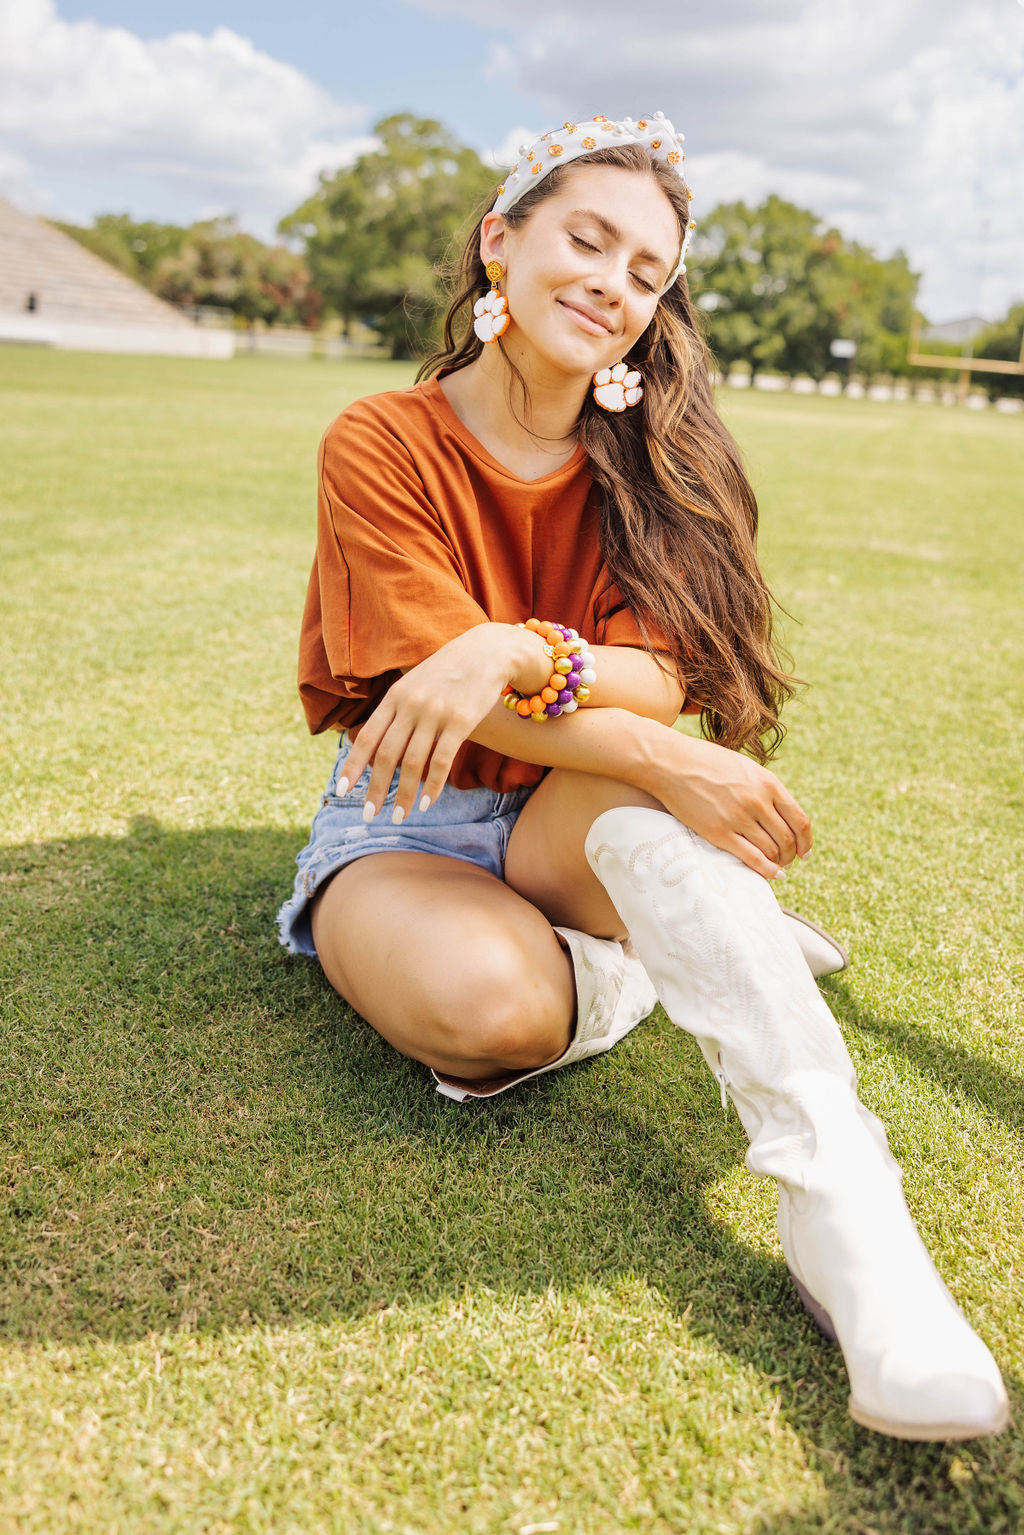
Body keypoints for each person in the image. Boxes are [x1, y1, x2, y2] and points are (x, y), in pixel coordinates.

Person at [276, 112, 1009, 1442]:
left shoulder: (656, 464)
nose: (613, 281)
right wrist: (659, 746)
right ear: (502, 244)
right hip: (408, 820)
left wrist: (509, 649)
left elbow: (656, 677)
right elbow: (422, 690)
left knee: (633, 804)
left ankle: (848, 1216)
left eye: (647, 270)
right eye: (585, 239)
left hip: (573, 813)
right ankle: (676, 950)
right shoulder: (380, 440)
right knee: (492, 1019)